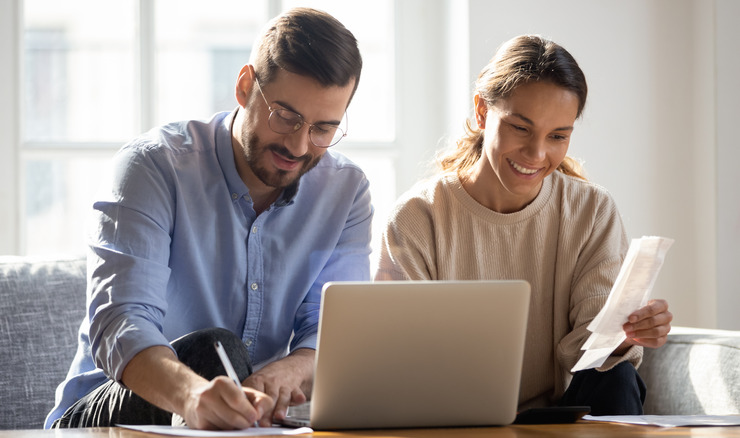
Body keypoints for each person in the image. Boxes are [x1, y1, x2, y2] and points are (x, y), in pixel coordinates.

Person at [46, 7, 372, 430]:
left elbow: (331, 332)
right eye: (286, 117)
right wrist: (194, 396)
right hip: (103, 413)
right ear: (244, 86)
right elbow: (121, 324)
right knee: (214, 350)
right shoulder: (153, 167)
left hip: (243, 419)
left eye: (323, 129)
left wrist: (287, 372)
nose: (298, 144)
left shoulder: (345, 192)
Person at [374, 34, 672, 415]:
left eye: (558, 136)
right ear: (482, 111)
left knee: (618, 377)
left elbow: (591, 348)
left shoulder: (591, 210)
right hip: (451, 415)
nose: (537, 154)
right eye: (521, 128)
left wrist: (624, 335)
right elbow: (400, 359)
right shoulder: (418, 218)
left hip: (562, 416)